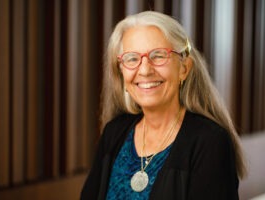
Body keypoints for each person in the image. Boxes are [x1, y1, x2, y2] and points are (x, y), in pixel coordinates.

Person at [81, 11, 246, 200]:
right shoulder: (114, 133)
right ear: (121, 74)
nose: (144, 70)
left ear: (184, 69)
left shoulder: (210, 141)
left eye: (158, 56)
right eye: (132, 59)